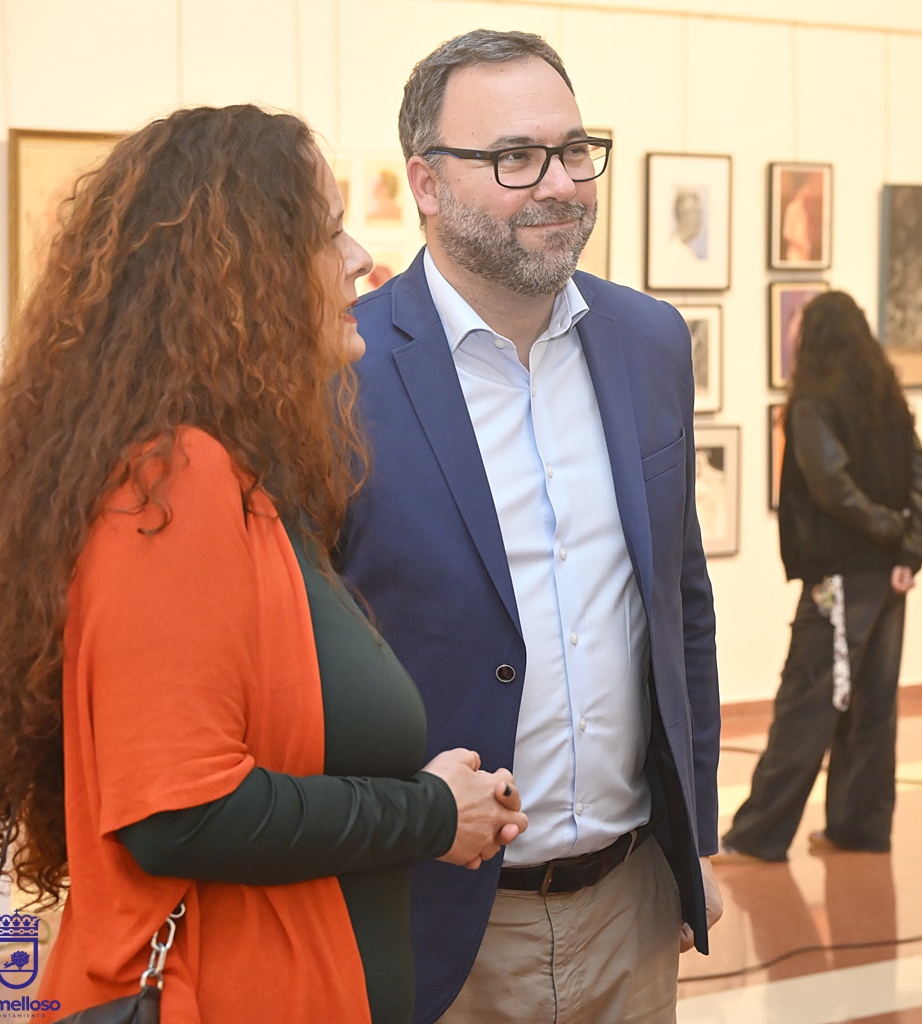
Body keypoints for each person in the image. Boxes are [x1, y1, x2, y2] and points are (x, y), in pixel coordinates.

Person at [0, 105, 526, 1024]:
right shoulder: (175, 481)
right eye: (326, 229)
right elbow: (180, 814)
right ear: (239, 276)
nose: (360, 257)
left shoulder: (245, 478)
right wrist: (430, 813)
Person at [336, 29, 723, 1024]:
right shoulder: (344, 371)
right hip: (434, 919)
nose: (559, 183)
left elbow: (681, 605)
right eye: (515, 157)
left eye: (575, 149)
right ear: (426, 182)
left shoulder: (648, 342)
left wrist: (694, 845)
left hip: (632, 909)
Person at [721, 291, 922, 861]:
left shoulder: (814, 403)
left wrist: (895, 539)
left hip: (839, 580)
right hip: (886, 580)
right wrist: (908, 553)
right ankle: (858, 827)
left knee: (807, 700)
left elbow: (832, 489)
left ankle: (759, 835)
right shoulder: (887, 402)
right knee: (872, 707)